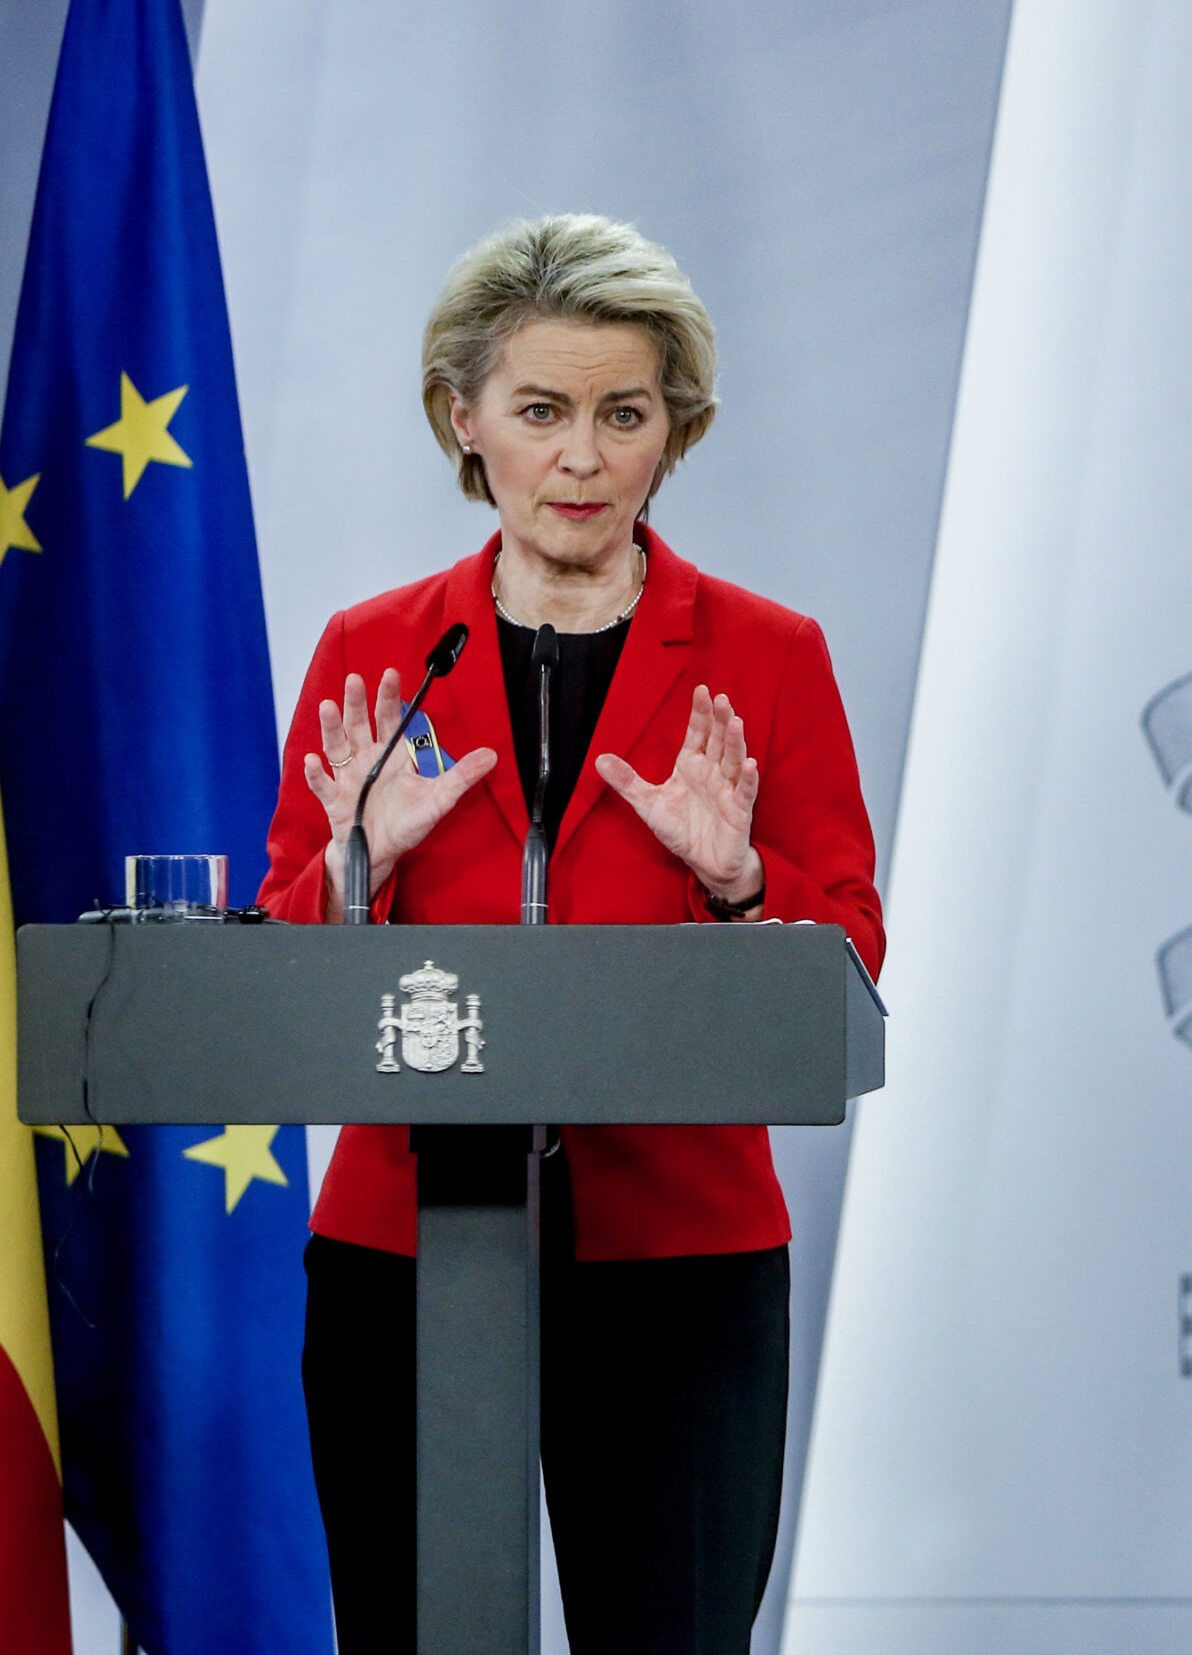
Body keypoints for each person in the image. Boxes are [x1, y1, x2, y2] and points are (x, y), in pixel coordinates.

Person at [259, 213, 884, 1655]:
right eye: (541, 411)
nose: (583, 458)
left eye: (625, 414)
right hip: (405, 1257)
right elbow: (278, 967)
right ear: (463, 420)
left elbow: (850, 953)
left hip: (680, 1265)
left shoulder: (767, 655)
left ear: (676, 430)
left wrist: (740, 882)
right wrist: (364, 865)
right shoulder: (376, 652)